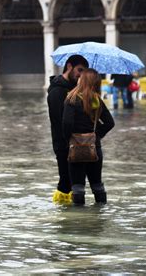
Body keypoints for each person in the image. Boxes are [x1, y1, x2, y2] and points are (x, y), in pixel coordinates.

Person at [62, 68, 115, 205]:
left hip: (75, 146)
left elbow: (67, 124)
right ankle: (100, 214)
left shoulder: (71, 99)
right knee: (97, 184)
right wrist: (96, 136)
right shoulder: (97, 100)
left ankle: (81, 220)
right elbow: (110, 123)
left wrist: (68, 140)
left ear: (82, 81)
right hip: (94, 147)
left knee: (78, 187)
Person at [47, 54, 89, 204]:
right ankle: (63, 214)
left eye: (84, 72)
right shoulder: (57, 91)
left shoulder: (74, 89)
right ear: (69, 66)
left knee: (74, 182)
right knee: (65, 182)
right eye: (79, 70)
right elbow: (60, 120)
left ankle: (69, 213)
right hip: (63, 144)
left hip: (76, 142)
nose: (81, 75)